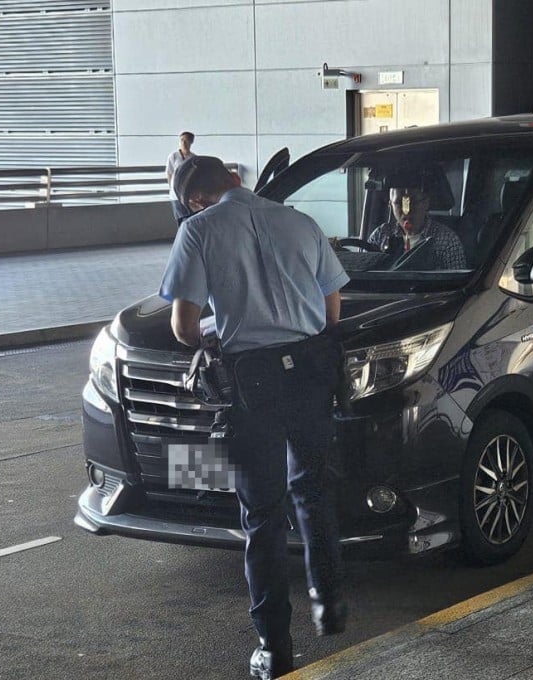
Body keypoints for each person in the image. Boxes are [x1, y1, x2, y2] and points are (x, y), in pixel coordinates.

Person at [159, 155, 349, 680]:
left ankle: (275, 647)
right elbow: (333, 311)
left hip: (254, 382)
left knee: (262, 514)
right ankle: (329, 604)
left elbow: (183, 326)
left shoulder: (198, 230)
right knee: (311, 489)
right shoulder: (301, 222)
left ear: (194, 200)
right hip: (312, 372)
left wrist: (219, 333)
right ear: (236, 180)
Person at [367, 181, 467, 270]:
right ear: (390, 205)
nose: (407, 211)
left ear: (426, 202)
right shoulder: (380, 236)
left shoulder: (446, 240)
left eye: (413, 202)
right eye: (399, 203)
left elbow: (458, 285)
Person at [165, 131, 196, 225]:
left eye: (186, 141)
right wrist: (171, 188)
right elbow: (169, 173)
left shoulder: (193, 158)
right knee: (180, 218)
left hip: (189, 194)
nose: (183, 143)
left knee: (190, 217)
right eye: (182, 140)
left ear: (191, 142)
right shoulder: (173, 156)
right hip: (176, 194)